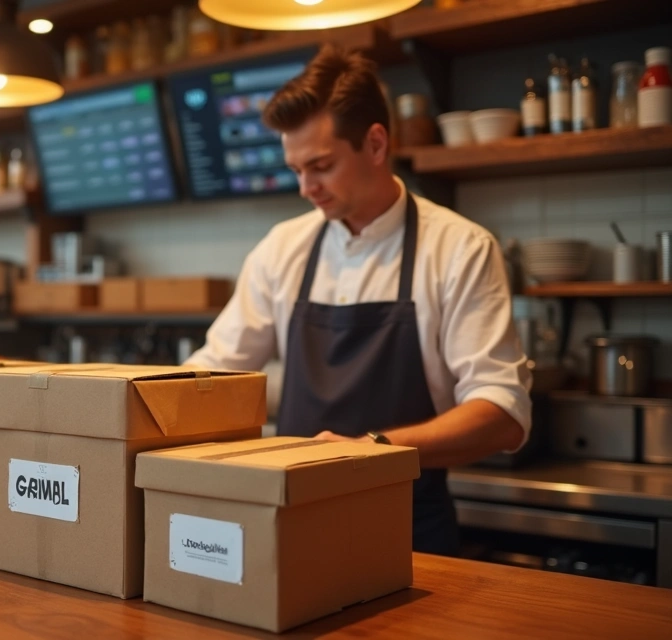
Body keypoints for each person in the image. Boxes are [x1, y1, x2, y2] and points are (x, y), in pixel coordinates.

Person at [186, 45, 531, 556]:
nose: (306, 187)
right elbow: (214, 374)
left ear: (375, 143)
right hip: (290, 528)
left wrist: (373, 451)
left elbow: (502, 412)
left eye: (321, 166)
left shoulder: (459, 248)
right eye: (296, 169)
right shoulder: (282, 248)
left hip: (410, 536)